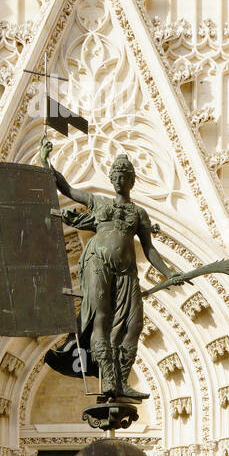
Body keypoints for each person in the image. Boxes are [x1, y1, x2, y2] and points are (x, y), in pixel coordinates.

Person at [40, 134, 180, 402]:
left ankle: (122, 382)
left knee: (134, 324)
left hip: (127, 272)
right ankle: (108, 380)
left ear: (132, 180)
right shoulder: (98, 202)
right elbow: (68, 189)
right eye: (115, 175)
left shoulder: (139, 213)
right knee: (100, 321)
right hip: (97, 264)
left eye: (123, 175)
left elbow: (149, 249)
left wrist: (169, 274)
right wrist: (46, 162)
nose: (118, 180)